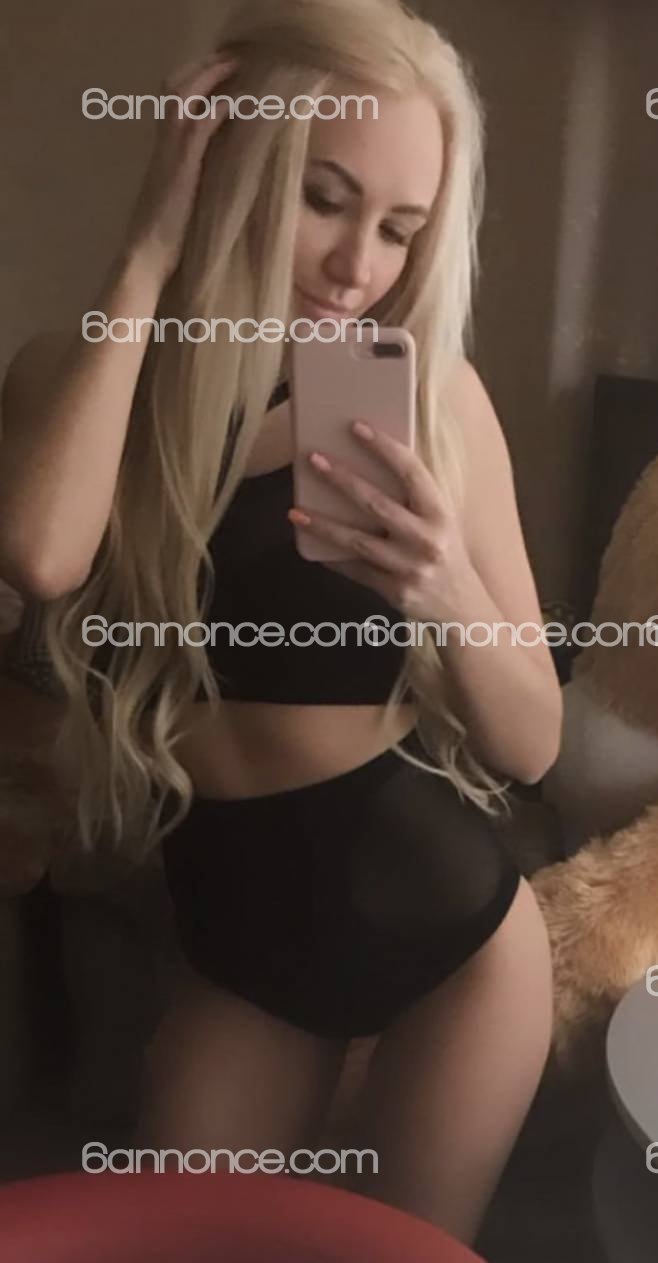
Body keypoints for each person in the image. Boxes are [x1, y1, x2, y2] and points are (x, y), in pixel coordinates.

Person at [0, 0, 559, 1243]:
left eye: (399, 229)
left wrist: (444, 589)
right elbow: (42, 554)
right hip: (238, 942)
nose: (359, 266)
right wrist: (149, 251)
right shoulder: (82, 372)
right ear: (233, 168)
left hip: (450, 939)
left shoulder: (435, 400)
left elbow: (533, 744)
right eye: (324, 198)